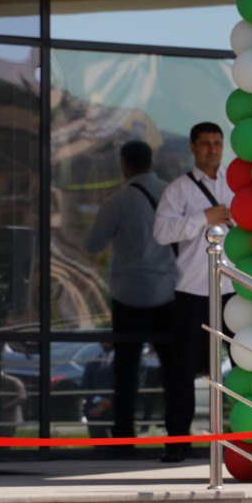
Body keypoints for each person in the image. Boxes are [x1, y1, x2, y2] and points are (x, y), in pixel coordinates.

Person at [84, 140, 178, 448]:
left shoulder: (117, 202)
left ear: (124, 164)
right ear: (151, 161)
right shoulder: (173, 194)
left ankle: (124, 436)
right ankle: (177, 435)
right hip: (170, 292)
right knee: (173, 370)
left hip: (129, 294)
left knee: (126, 369)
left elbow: (93, 245)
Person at [152, 123, 234, 463]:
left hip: (233, 289)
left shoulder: (236, 184)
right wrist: (203, 217)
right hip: (191, 291)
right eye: (205, 144)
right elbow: (161, 232)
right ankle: (178, 443)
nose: (212, 149)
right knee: (182, 372)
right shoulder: (179, 189)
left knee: (244, 363)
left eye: (217, 143)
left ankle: (244, 440)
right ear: (192, 147)